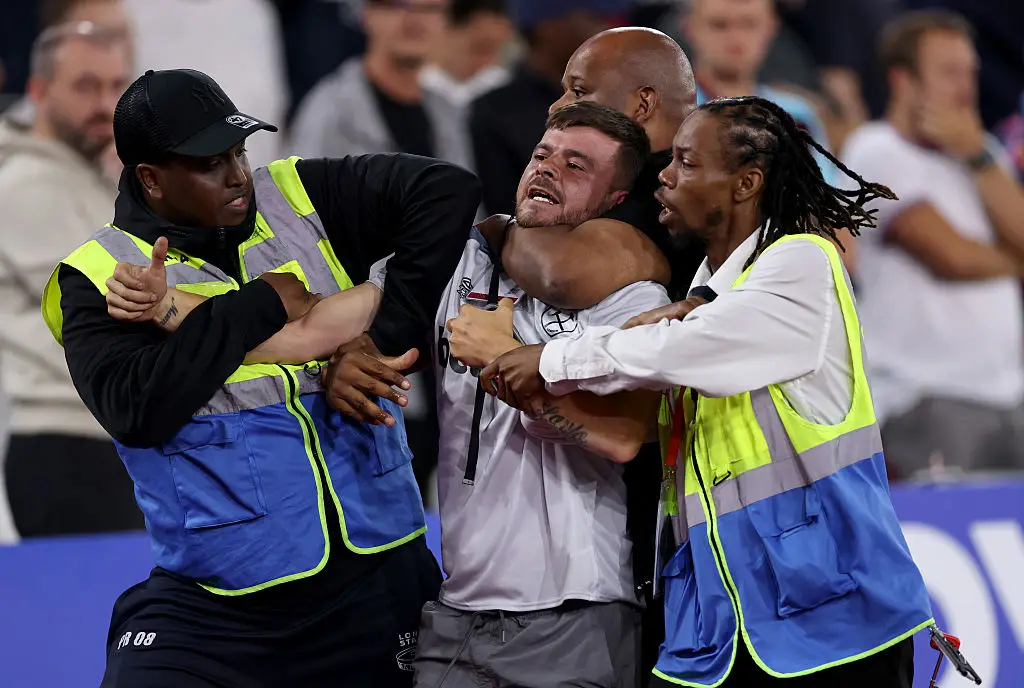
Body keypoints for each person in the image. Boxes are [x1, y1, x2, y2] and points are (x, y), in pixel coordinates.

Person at [110, 101, 671, 687]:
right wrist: (169, 306)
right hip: (456, 617)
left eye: (577, 165)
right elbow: (309, 329)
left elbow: (623, 436)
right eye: (543, 154)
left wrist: (504, 363)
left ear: (613, 201)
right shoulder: (463, 262)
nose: (549, 169)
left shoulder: (630, 300)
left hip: (572, 609)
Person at [40, 68, 481, 687]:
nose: (238, 175)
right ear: (151, 178)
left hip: (379, 577)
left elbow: (449, 191)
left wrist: (375, 345)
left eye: (239, 151)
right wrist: (262, 304)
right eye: (209, 163)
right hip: (215, 603)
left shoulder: (300, 192)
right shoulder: (100, 276)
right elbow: (137, 409)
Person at [480, 96, 934, 687]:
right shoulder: (705, 292)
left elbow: (687, 349)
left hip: (833, 618)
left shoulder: (803, 262)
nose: (665, 175)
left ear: (745, 183)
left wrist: (554, 357)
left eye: (688, 164)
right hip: (718, 628)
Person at [842, 10, 1024, 479]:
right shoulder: (875, 149)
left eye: (970, 72)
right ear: (904, 81)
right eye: (948, 72)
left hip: (1007, 396)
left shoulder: (982, 154)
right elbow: (952, 257)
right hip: (925, 398)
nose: (965, 87)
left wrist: (979, 155)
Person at [0, 21, 137, 538]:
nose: (106, 103)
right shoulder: (27, 185)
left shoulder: (92, 175)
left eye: (116, 85)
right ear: (38, 92)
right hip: (69, 445)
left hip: (106, 440)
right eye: (86, 86)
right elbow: (122, 315)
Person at [288, 0, 469, 168]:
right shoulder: (331, 110)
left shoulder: (449, 115)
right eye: (398, 6)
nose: (415, 20)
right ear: (367, 13)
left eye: (430, 8)